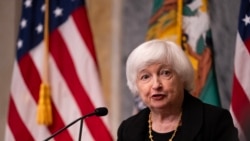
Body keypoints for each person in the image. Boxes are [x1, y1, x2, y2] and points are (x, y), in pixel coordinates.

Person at [117, 39, 239, 141]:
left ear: (182, 76)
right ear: (136, 85)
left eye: (165, 73)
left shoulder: (215, 121)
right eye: (145, 77)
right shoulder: (128, 129)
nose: (156, 85)